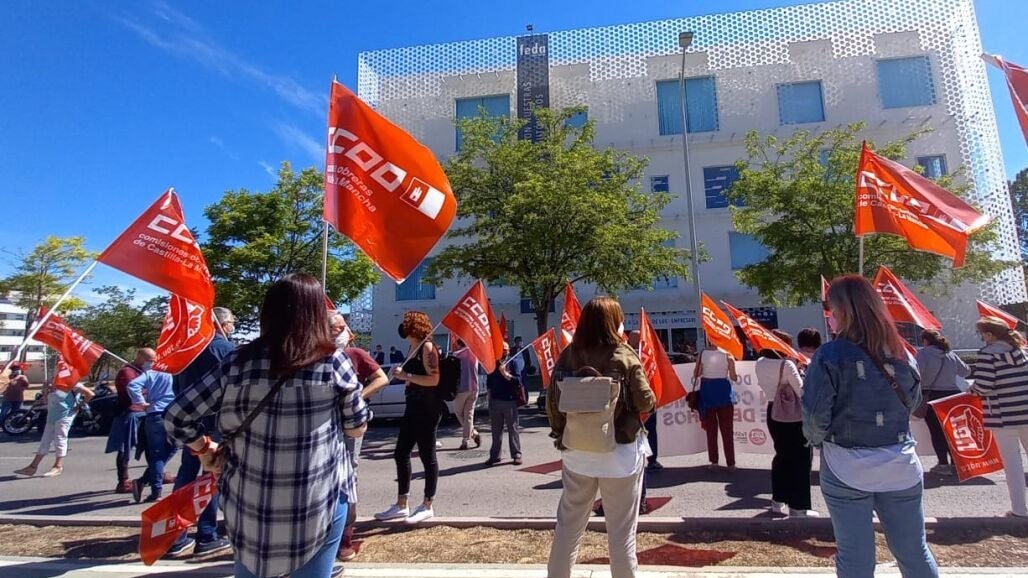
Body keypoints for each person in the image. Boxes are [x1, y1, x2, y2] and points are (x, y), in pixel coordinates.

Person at [166, 274, 370, 578]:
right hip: (318, 501)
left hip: (248, 504)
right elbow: (356, 427)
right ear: (316, 314)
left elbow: (176, 416)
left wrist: (204, 449)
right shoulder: (333, 362)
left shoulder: (236, 362)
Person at [803, 275, 938, 578]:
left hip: (845, 464)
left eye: (832, 311)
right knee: (914, 552)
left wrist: (817, 440)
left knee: (855, 557)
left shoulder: (829, 355)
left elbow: (814, 417)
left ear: (842, 311)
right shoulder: (902, 352)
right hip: (900, 462)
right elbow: (913, 403)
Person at [546, 297, 656, 578]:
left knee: (568, 527)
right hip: (620, 453)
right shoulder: (624, 354)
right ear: (614, 322)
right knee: (621, 534)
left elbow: (552, 403)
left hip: (576, 451)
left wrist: (561, 434)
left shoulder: (569, 354)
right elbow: (646, 402)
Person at [165, 308, 236, 560]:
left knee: (186, 476)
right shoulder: (225, 350)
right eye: (231, 323)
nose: (232, 327)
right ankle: (207, 536)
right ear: (222, 324)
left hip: (190, 424)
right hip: (217, 422)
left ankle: (175, 537)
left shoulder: (186, 350)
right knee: (212, 476)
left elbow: (177, 388)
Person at [329, 312, 390, 561]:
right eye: (336, 327)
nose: (342, 332)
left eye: (343, 327)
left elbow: (382, 378)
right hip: (321, 429)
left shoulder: (355, 355)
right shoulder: (312, 356)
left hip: (350, 427)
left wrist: (356, 398)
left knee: (348, 477)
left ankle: (345, 537)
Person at [375, 311, 441, 525]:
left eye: (406, 323)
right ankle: (402, 504)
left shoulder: (427, 347)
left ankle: (428, 505)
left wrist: (407, 376)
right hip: (412, 405)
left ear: (414, 327)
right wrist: (404, 377)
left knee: (427, 456)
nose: (402, 327)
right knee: (401, 452)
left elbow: (434, 380)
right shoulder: (412, 348)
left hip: (427, 408)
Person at [968, 316, 1028, 518]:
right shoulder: (1021, 352)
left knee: (1012, 464)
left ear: (989, 334)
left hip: (1003, 414)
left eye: (981, 334)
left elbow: (984, 385)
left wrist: (972, 389)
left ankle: (1020, 509)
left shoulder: (987, 354)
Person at [755, 330, 817, 518]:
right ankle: (798, 506)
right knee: (801, 459)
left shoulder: (760, 363)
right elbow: (802, 391)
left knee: (781, 456)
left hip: (773, 412)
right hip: (794, 416)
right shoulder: (787, 364)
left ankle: (777, 499)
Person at [915, 329, 971, 477]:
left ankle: (943, 464)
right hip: (952, 396)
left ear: (925, 340)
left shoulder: (923, 354)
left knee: (936, 432)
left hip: (932, 396)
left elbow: (917, 373)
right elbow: (966, 371)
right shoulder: (950, 354)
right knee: (952, 432)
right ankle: (956, 463)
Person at [15, 381, 94, 478]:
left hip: (65, 416)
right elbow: (46, 401)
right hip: (52, 416)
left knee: (60, 439)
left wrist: (78, 406)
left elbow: (90, 394)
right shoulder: (55, 383)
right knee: (45, 441)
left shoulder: (74, 383)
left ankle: (58, 466)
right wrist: (45, 390)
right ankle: (32, 467)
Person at [105, 349, 153, 493]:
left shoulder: (142, 372)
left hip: (145, 413)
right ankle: (123, 481)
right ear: (140, 357)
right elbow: (133, 391)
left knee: (151, 446)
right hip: (129, 414)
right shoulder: (127, 372)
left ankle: (154, 474)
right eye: (149, 361)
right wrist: (148, 391)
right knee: (125, 449)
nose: (151, 364)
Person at [128, 368, 177, 503]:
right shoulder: (177, 371)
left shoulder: (151, 373)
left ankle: (151, 488)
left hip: (155, 414)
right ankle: (153, 489)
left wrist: (141, 402)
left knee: (158, 454)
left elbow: (132, 385)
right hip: (174, 413)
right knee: (171, 449)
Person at [693, 343, 738, 471]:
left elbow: (696, 374)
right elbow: (734, 377)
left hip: (708, 393)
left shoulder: (703, 353)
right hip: (724, 394)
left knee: (711, 430)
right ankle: (731, 463)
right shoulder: (728, 354)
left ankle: (714, 462)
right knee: (727, 430)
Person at [485, 343, 522, 466]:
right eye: (501, 350)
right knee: (496, 431)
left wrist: (506, 374)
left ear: (508, 351)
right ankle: (495, 456)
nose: (503, 352)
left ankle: (516, 455)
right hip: (495, 401)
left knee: (513, 429)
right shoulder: (493, 364)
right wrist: (489, 398)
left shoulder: (513, 363)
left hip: (510, 401)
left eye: (505, 350)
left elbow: (518, 381)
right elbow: (489, 382)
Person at [451, 338, 482, 451]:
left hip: (461, 388)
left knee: (459, 412)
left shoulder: (456, 356)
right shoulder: (475, 354)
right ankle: (467, 439)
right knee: (469, 414)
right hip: (474, 387)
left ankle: (472, 434)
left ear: (459, 344)